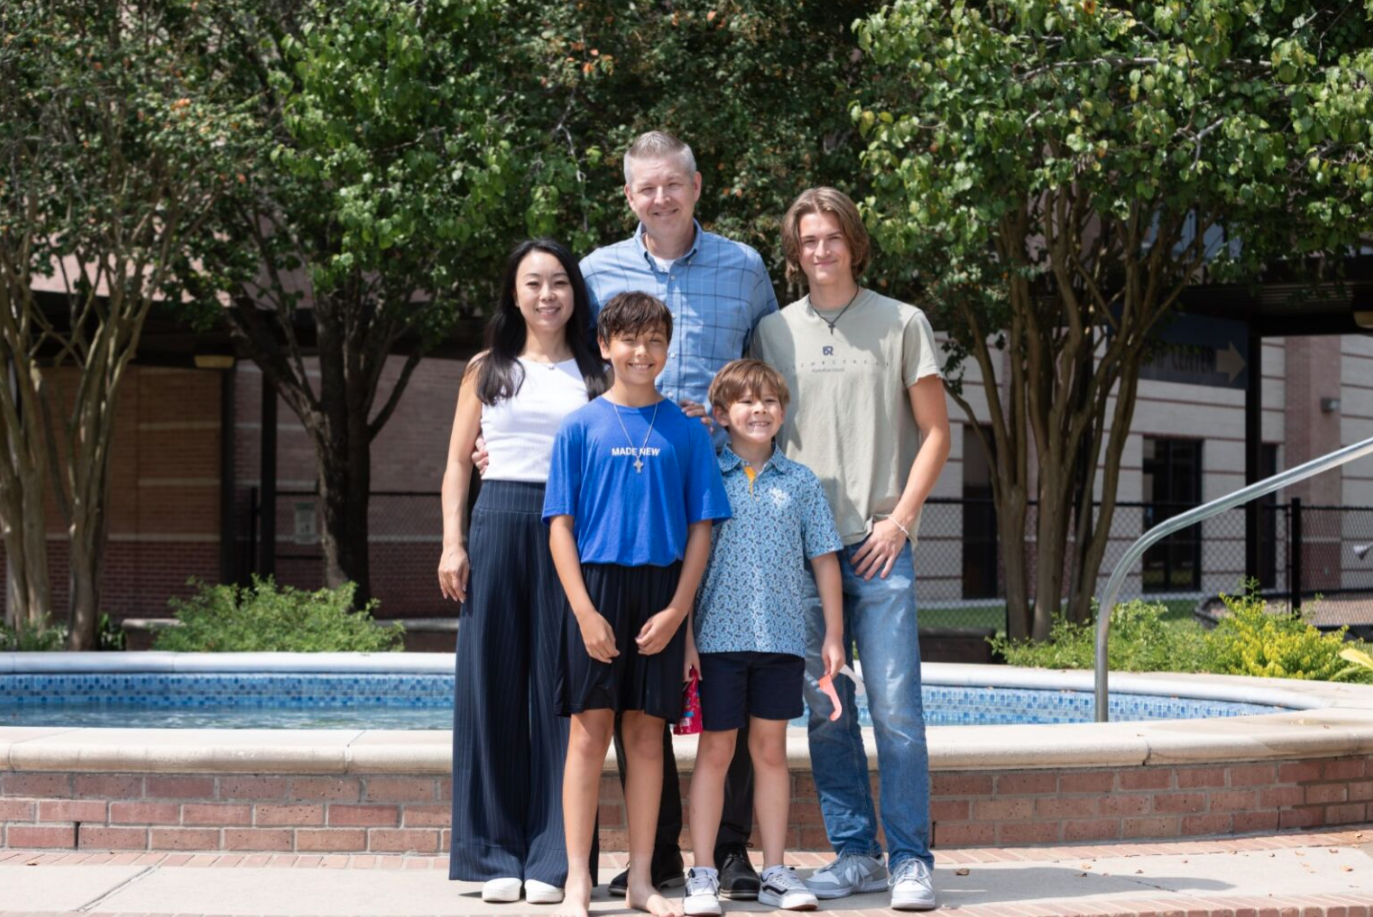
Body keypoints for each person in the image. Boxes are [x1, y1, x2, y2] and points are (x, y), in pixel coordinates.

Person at [579, 130, 780, 899]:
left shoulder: (743, 267)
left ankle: (725, 851)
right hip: (632, 500)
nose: (659, 198)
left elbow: (766, 378)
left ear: (697, 186)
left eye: (672, 184)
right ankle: (655, 853)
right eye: (644, 188)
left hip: (722, 493)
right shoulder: (597, 271)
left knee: (722, 666)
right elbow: (568, 377)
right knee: (647, 674)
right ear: (628, 196)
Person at [751, 187, 951, 911]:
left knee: (896, 709)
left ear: (853, 242)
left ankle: (909, 859)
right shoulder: (772, 331)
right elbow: (750, 428)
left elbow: (935, 431)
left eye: (831, 237)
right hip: (801, 554)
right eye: (807, 239)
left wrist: (898, 520)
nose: (820, 250)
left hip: (877, 546)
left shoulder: (901, 323)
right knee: (829, 712)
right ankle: (854, 853)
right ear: (794, 250)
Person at [543, 291, 733, 917]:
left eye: (654, 340)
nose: (641, 351)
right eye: (628, 340)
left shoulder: (685, 430)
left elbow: (702, 527)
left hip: (661, 594)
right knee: (587, 737)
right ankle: (576, 879)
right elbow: (560, 526)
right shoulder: (579, 426)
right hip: (595, 592)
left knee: (648, 741)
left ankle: (644, 880)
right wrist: (584, 612)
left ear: (667, 347)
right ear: (604, 346)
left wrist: (680, 613)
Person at [439, 239, 608, 904]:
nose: (546, 295)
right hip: (498, 523)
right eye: (532, 283)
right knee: (492, 692)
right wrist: (452, 541)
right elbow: (457, 461)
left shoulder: (598, 371)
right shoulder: (487, 368)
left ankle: (553, 857)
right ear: (513, 294)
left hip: (574, 532)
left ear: (575, 293)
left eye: (559, 282)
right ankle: (489, 854)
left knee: (562, 695)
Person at [682, 359, 846, 917]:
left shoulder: (800, 483)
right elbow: (688, 565)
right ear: (722, 415)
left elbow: (824, 561)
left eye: (770, 401)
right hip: (716, 643)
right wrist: (685, 638)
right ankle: (702, 871)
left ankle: (775, 869)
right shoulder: (706, 475)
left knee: (771, 753)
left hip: (780, 643)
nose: (760, 410)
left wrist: (833, 635)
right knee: (717, 751)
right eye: (747, 402)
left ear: (783, 411)